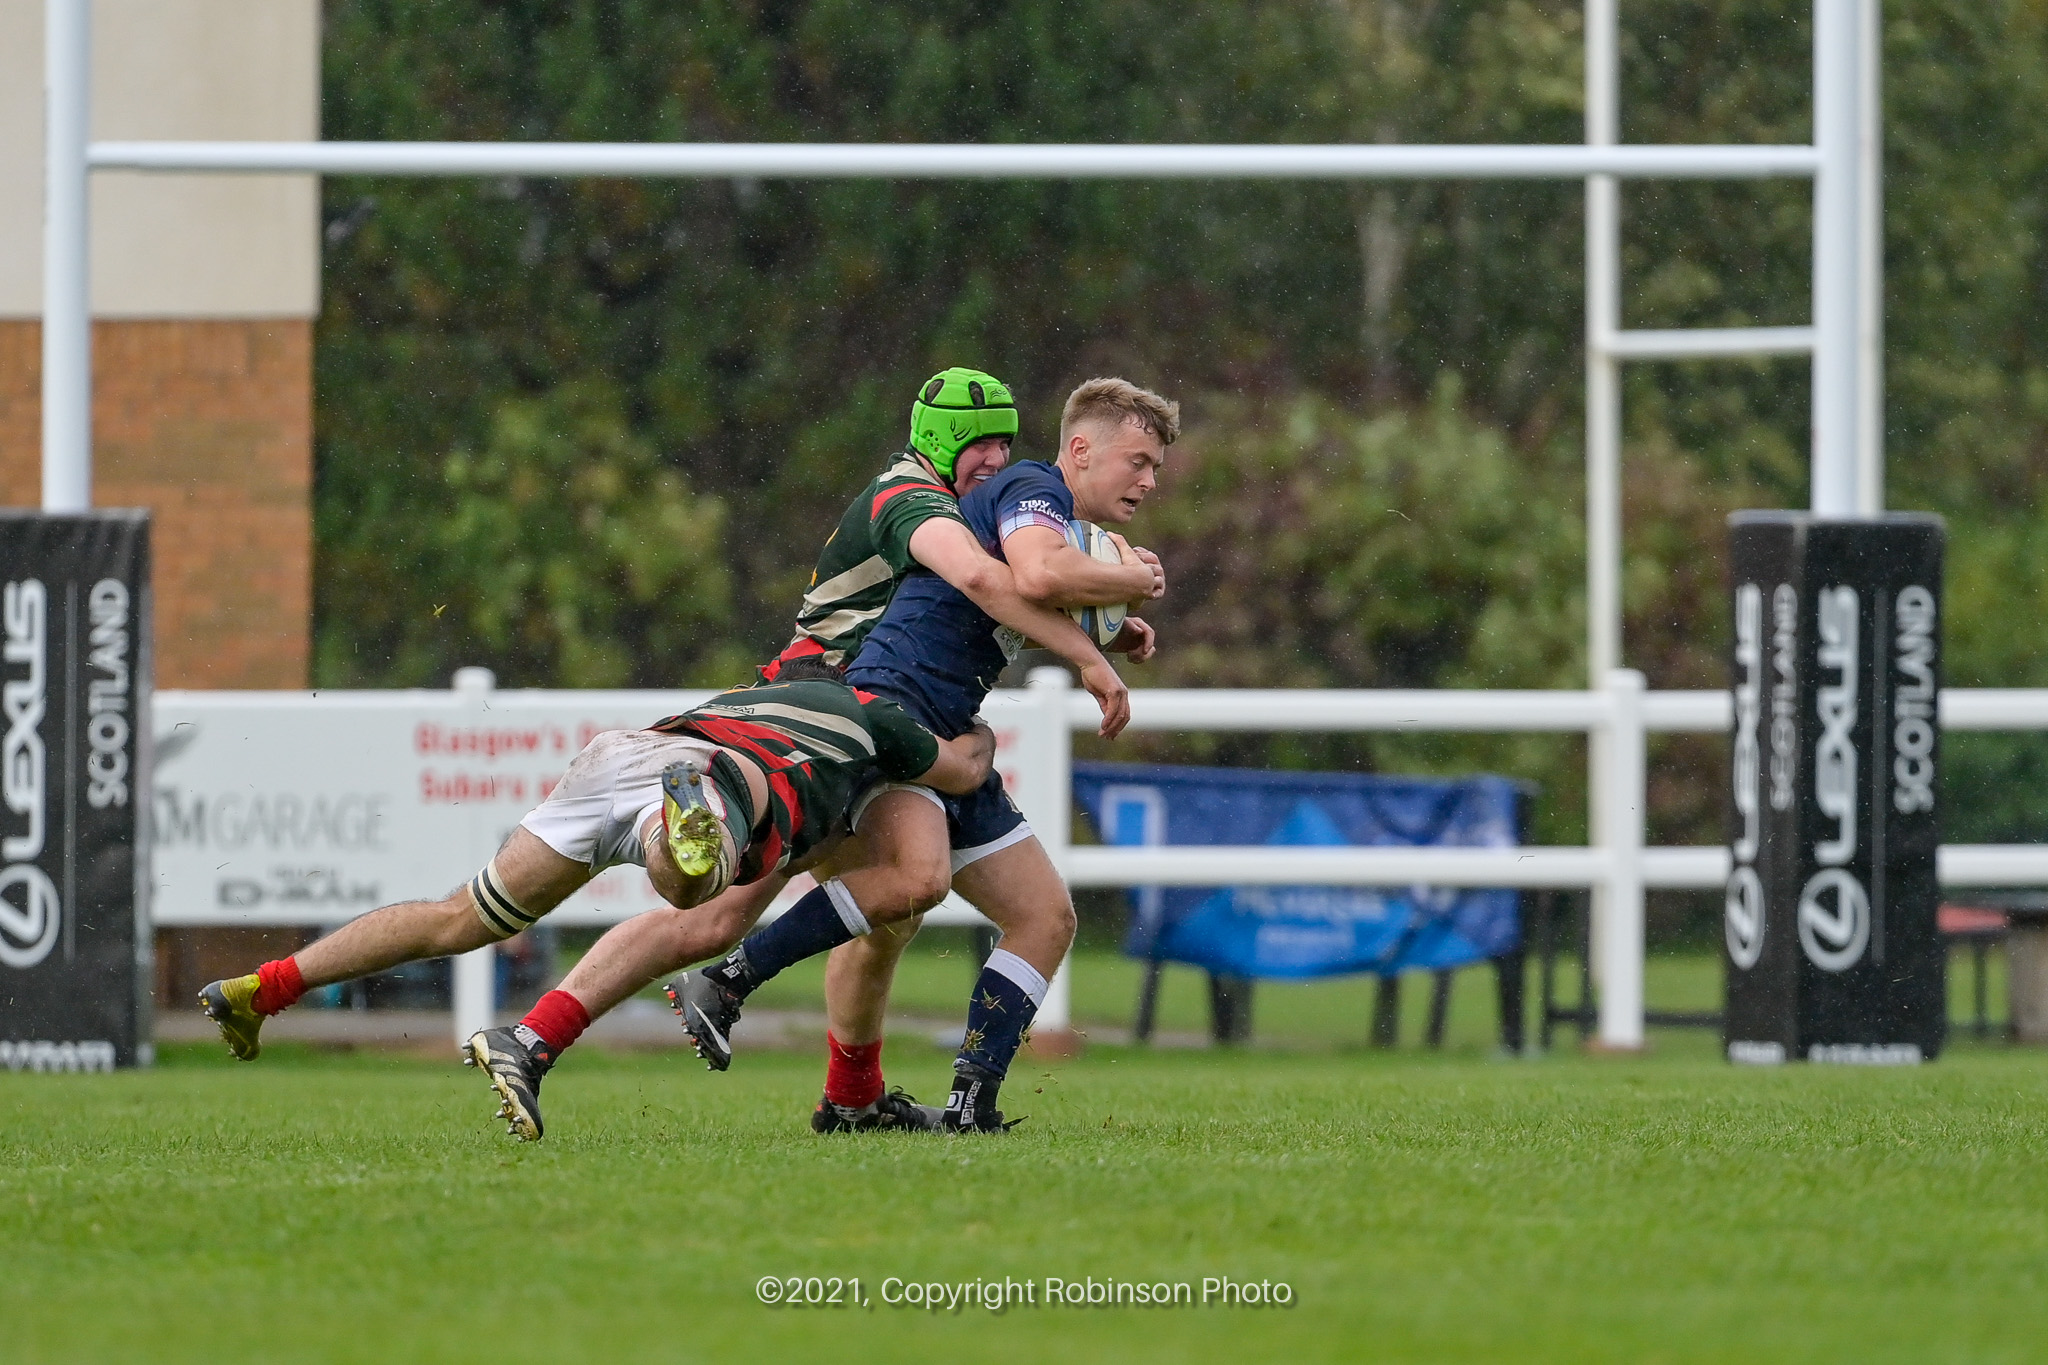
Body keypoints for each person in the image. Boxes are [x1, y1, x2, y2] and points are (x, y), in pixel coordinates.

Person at [427, 367, 1141, 1137]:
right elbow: (995, 577)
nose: (997, 458)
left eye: (1005, 443)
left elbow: (1012, 586)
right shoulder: (915, 497)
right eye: (982, 444)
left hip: (882, 720)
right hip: (823, 719)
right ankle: (547, 1033)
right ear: (942, 442)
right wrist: (1111, 606)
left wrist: (1101, 619)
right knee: (732, 918)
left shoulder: (981, 503)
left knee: (898, 905)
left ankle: (853, 1095)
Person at [196, 659, 995, 1141]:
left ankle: (265, 988)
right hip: (702, 780)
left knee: (459, 918)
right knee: (696, 883)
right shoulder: (877, 717)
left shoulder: (765, 688)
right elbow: (961, 769)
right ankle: (683, 829)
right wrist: (977, 731)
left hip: (616, 758)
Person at [671, 376, 1177, 1132]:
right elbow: (1037, 574)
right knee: (915, 880)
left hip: (945, 720)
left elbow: (1021, 596)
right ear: (1080, 450)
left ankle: (970, 1106)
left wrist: (1107, 627)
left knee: (1044, 916)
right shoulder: (1032, 487)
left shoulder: (1047, 516)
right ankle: (730, 979)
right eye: (1138, 461)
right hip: (895, 711)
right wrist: (1131, 582)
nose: (1148, 480)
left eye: (1156, 468)